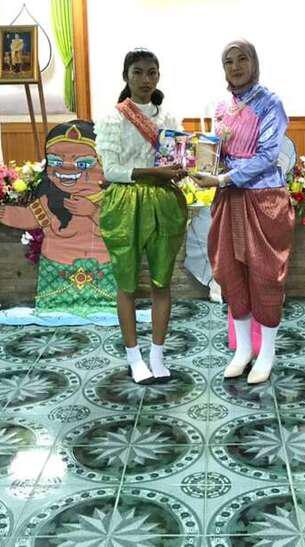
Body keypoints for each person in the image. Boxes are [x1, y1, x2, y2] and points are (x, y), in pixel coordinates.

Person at [192, 40, 295, 384]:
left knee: (266, 275)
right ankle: (243, 350)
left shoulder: (270, 104)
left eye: (242, 59)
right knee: (230, 272)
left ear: (254, 62)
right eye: (228, 61)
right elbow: (220, 153)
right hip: (230, 199)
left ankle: (267, 353)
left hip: (264, 200)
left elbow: (267, 156)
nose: (235, 67)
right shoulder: (223, 107)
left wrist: (223, 177)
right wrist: (203, 160)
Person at [95, 49, 187, 384]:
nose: (146, 80)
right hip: (125, 202)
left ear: (158, 76)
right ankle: (134, 357)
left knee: (162, 281)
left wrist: (180, 169)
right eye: (138, 72)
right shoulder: (112, 119)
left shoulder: (169, 119)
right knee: (127, 282)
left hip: (163, 201)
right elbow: (111, 170)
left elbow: (178, 161)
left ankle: (157, 355)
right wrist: (153, 172)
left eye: (152, 73)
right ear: (126, 76)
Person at [0, 121, 116, 319]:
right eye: (56, 162)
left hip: (101, 272)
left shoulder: (111, 197)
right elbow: (29, 217)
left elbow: (120, 229)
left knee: (105, 314)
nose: (66, 169)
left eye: (83, 164)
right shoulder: (50, 199)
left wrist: (93, 212)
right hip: (57, 271)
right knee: (55, 317)